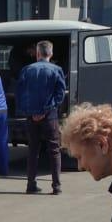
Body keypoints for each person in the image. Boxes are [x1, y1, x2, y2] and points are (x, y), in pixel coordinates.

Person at [15, 40, 68, 195]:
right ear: (50, 54)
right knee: (54, 150)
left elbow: (20, 94)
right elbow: (60, 95)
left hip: (31, 116)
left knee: (33, 150)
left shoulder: (26, 70)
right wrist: (46, 110)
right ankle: (56, 186)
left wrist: (30, 112)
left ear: (37, 54)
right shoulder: (57, 70)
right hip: (50, 115)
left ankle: (31, 184)